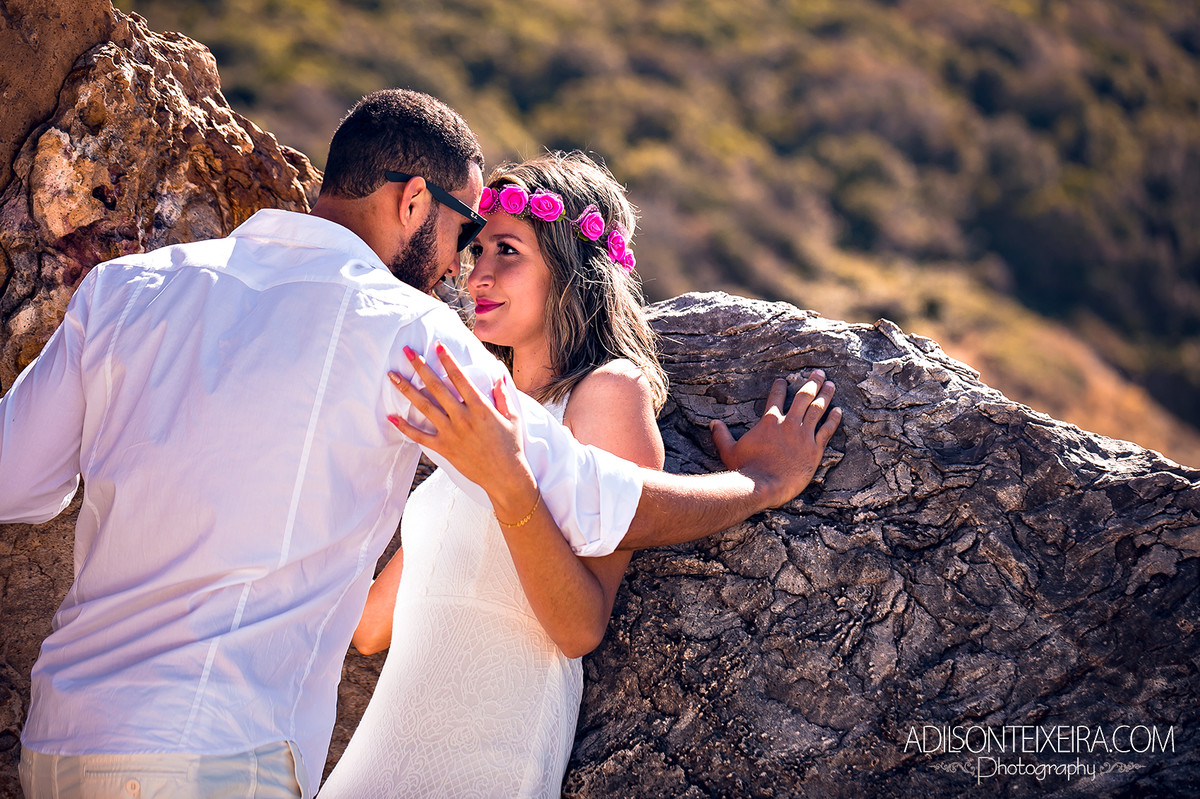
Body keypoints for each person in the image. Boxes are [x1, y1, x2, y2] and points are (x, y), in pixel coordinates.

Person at [0, 89, 838, 799]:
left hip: (58, 743)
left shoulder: (126, 289)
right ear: (411, 203)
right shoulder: (401, 330)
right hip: (210, 754)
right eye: (466, 230)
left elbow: (15, 481)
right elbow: (599, 501)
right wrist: (761, 485)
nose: (461, 268)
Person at [317, 152, 840, 798]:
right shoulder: (486, 419)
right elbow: (371, 628)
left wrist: (763, 479)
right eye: (476, 250)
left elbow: (579, 626)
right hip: (372, 771)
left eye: (507, 251)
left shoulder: (606, 392)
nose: (478, 274)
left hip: (483, 767)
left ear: (571, 270)